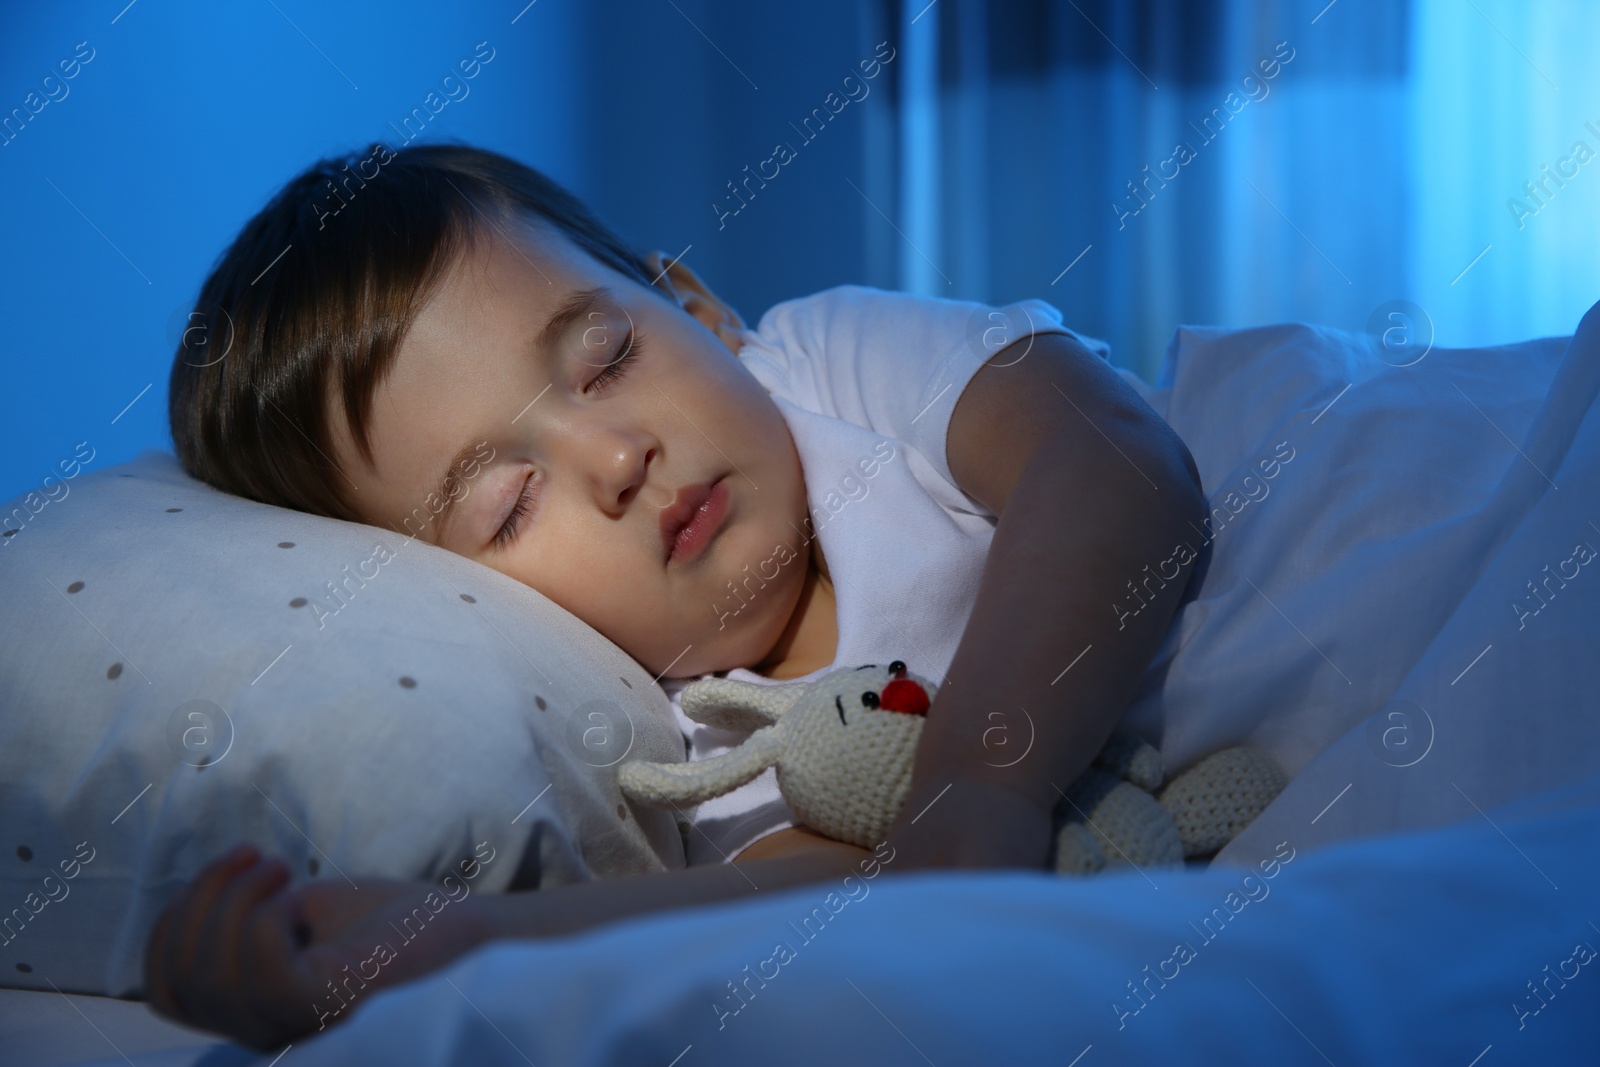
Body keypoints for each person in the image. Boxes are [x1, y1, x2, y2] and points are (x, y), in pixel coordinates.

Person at [150, 141, 1206, 1048]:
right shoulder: (678, 742)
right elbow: (852, 892)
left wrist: (982, 786)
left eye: (606, 360)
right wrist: (464, 942)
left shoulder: (830, 365)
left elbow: (1108, 460)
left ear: (700, 309)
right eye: (511, 504)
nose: (615, 454)